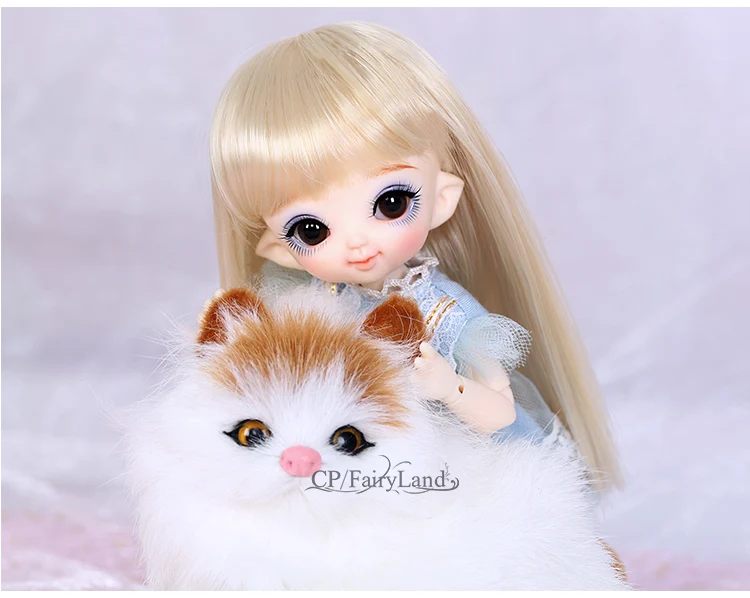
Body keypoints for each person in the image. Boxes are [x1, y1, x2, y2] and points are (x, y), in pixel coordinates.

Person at [207, 21, 620, 491]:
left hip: (462, 473)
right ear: (279, 248)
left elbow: (501, 414)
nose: (358, 244)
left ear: (442, 198)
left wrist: (448, 388)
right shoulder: (307, 302)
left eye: (391, 203)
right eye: (312, 230)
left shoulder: (447, 315)